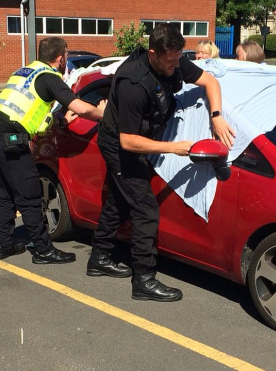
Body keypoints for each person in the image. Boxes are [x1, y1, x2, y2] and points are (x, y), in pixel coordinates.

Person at [87, 23, 236, 302]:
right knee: (145, 209)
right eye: (170, 61)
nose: (175, 66)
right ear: (153, 53)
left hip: (139, 141)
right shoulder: (134, 83)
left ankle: (99, 257)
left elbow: (210, 82)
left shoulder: (175, 62)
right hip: (120, 146)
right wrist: (174, 148)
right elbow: (128, 142)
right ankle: (143, 280)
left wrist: (216, 115)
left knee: (120, 201)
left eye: (178, 59)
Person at [0, 37, 106, 264]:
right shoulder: (49, 77)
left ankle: (3, 244)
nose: (66, 61)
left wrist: (58, 122)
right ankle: (43, 250)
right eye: (66, 56)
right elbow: (80, 107)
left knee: (7, 194)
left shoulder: (26, 71)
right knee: (29, 195)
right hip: (11, 139)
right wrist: (103, 113)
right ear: (60, 58)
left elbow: (31, 112)